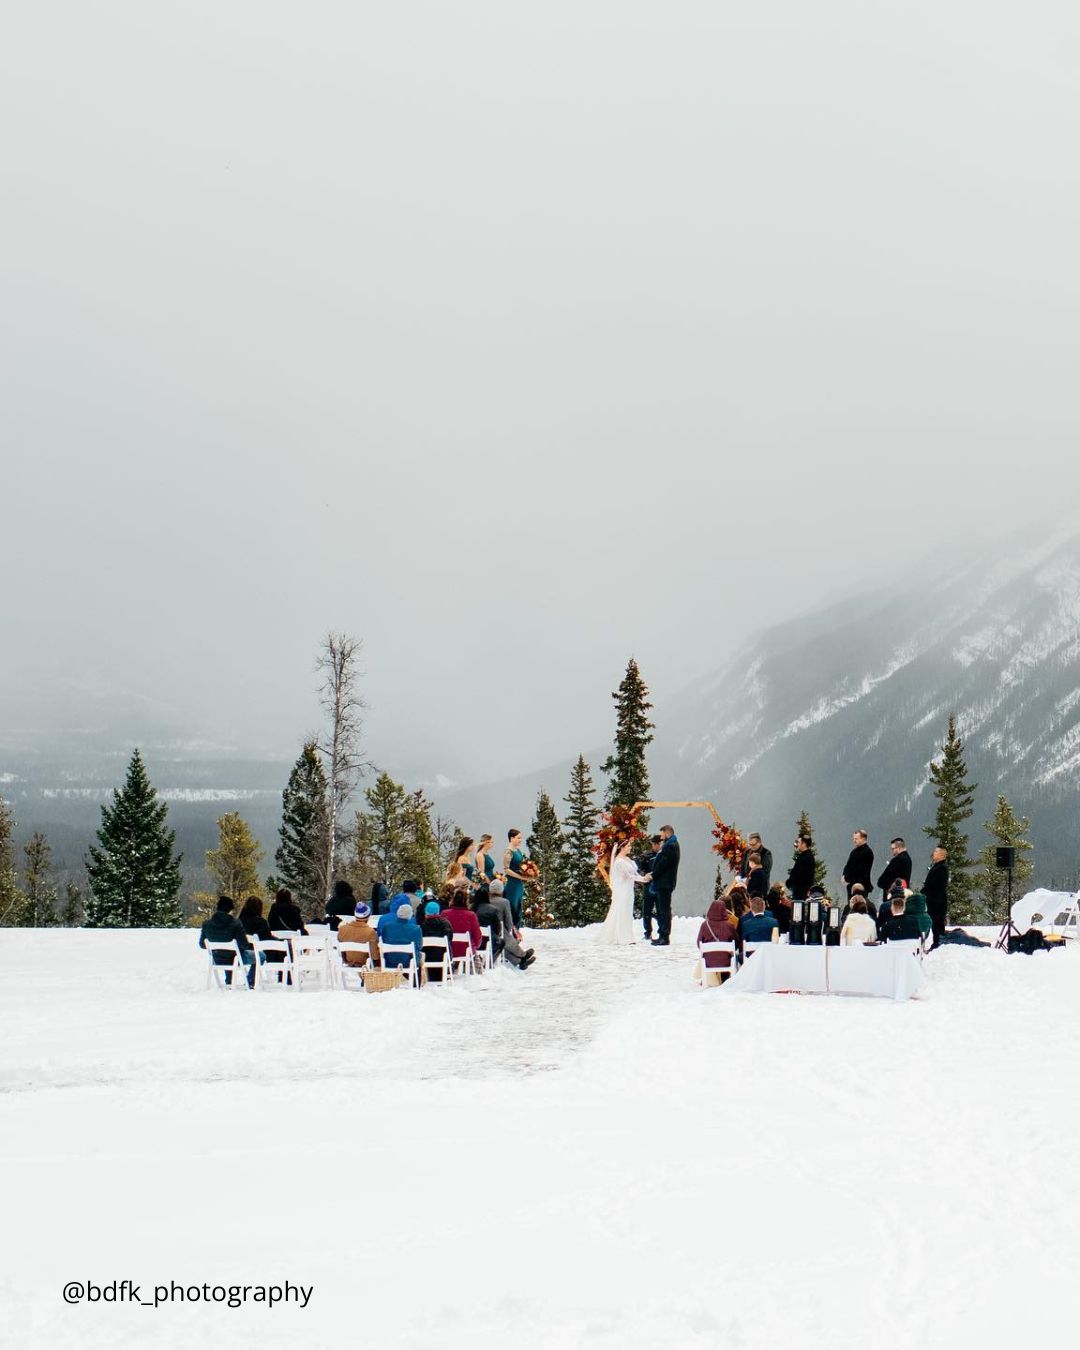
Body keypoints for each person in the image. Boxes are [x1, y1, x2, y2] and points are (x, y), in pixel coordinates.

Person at [473, 884, 537, 970]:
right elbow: (508, 922)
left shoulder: (474, 907)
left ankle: (520, 961)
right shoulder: (503, 902)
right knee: (503, 936)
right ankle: (523, 955)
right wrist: (508, 929)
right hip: (494, 934)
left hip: (479, 936)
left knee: (502, 939)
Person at [601, 840, 651, 945]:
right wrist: (643, 879)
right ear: (622, 847)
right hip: (622, 890)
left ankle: (627, 934)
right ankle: (621, 936)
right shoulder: (619, 862)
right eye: (628, 846)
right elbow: (629, 876)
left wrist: (642, 877)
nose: (630, 847)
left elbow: (633, 873)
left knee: (627, 911)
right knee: (621, 910)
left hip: (628, 890)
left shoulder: (627, 859)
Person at [199, 895, 254, 986]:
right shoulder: (235, 923)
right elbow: (244, 945)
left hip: (216, 959)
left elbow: (202, 944)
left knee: (225, 952)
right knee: (261, 956)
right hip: (235, 959)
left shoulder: (206, 924)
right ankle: (250, 981)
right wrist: (252, 946)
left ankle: (229, 980)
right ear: (229, 910)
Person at [650, 825, 680, 946]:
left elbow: (663, 864)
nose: (661, 838)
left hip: (664, 882)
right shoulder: (671, 845)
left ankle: (664, 936)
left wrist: (653, 875)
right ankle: (662, 934)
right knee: (663, 909)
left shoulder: (670, 847)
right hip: (665, 882)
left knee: (664, 909)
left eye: (662, 834)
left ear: (667, 833)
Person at [696, 897, 738, 985]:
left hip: (709, 961)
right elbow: (735, 943)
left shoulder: (705, 925)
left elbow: (699, 943)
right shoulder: (729, 925)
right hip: (726, 961)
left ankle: (708, 979)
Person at [378, 901, 423, 970]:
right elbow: (419, 947)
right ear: (410, 915)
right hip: (408, 963)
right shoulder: (416, 929)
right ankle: (417, 980)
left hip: (389, 962)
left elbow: (382, 941)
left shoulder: (387, 927)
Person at [441, 887, 483, 957]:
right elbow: (477, 937)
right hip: (466, 953)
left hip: (448, 952)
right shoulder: (471, 915)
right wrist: (475, 946)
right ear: (467, 901)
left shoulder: (444, 914)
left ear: (453, 900)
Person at [419, 900, 455, 981]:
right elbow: (450, 938)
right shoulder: (446, 924)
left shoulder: (422, 926)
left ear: (426, 912)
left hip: (427, 957)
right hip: (443, 956)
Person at [337, 900, 380, 968]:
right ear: (368, 916)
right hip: (365, 964)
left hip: (348, 962)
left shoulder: (342, 929)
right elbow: (375, 956)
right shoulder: (371, 932)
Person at [502, 829, 531, 928]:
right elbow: (506, 869)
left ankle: (517, 930)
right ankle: (510, 930)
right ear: (512, 838)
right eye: (518, 838)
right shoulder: (508, 851)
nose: (520, 840)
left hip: (519, 884)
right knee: (512, 906)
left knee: (519, 906)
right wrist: (520, 876)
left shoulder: (518, 850)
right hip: (512, 883)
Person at [922, 847, 950, 946]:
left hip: (937, 901)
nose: (933, 853)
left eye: (936, 851)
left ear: (942, 854)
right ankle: (937, 943)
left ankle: (938, 944)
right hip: (934, 900)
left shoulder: (942, 868)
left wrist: (925, 890)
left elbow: (935, 884)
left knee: (937, 923)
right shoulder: (937, 866)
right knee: (935, 924)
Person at [876, 838, 913, 912]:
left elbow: (884, 878)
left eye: (893, 849)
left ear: (898, 848)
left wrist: (881, 883)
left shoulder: (897, 860)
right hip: (903, 894)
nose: (892, 851)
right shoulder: (908, 859)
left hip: (892, 897)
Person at [842, 830, 875, 899]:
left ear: (863, 839)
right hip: (851, 885)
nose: (854, 840)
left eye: (856, 839)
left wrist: (847, 878)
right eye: (854, 838)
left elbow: (860, 870)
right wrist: (844, 875)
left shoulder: (867, 852)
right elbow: (848, 865)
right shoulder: (854, 851)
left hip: (861, 886)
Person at [787, 833, 816, 902]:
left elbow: (799, 874)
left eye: (798, 842)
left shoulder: (806, 858)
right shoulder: (804, 856)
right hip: (800, 891)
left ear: (804, 844)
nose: (796, 844)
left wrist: (790, 882)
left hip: (801, 892)